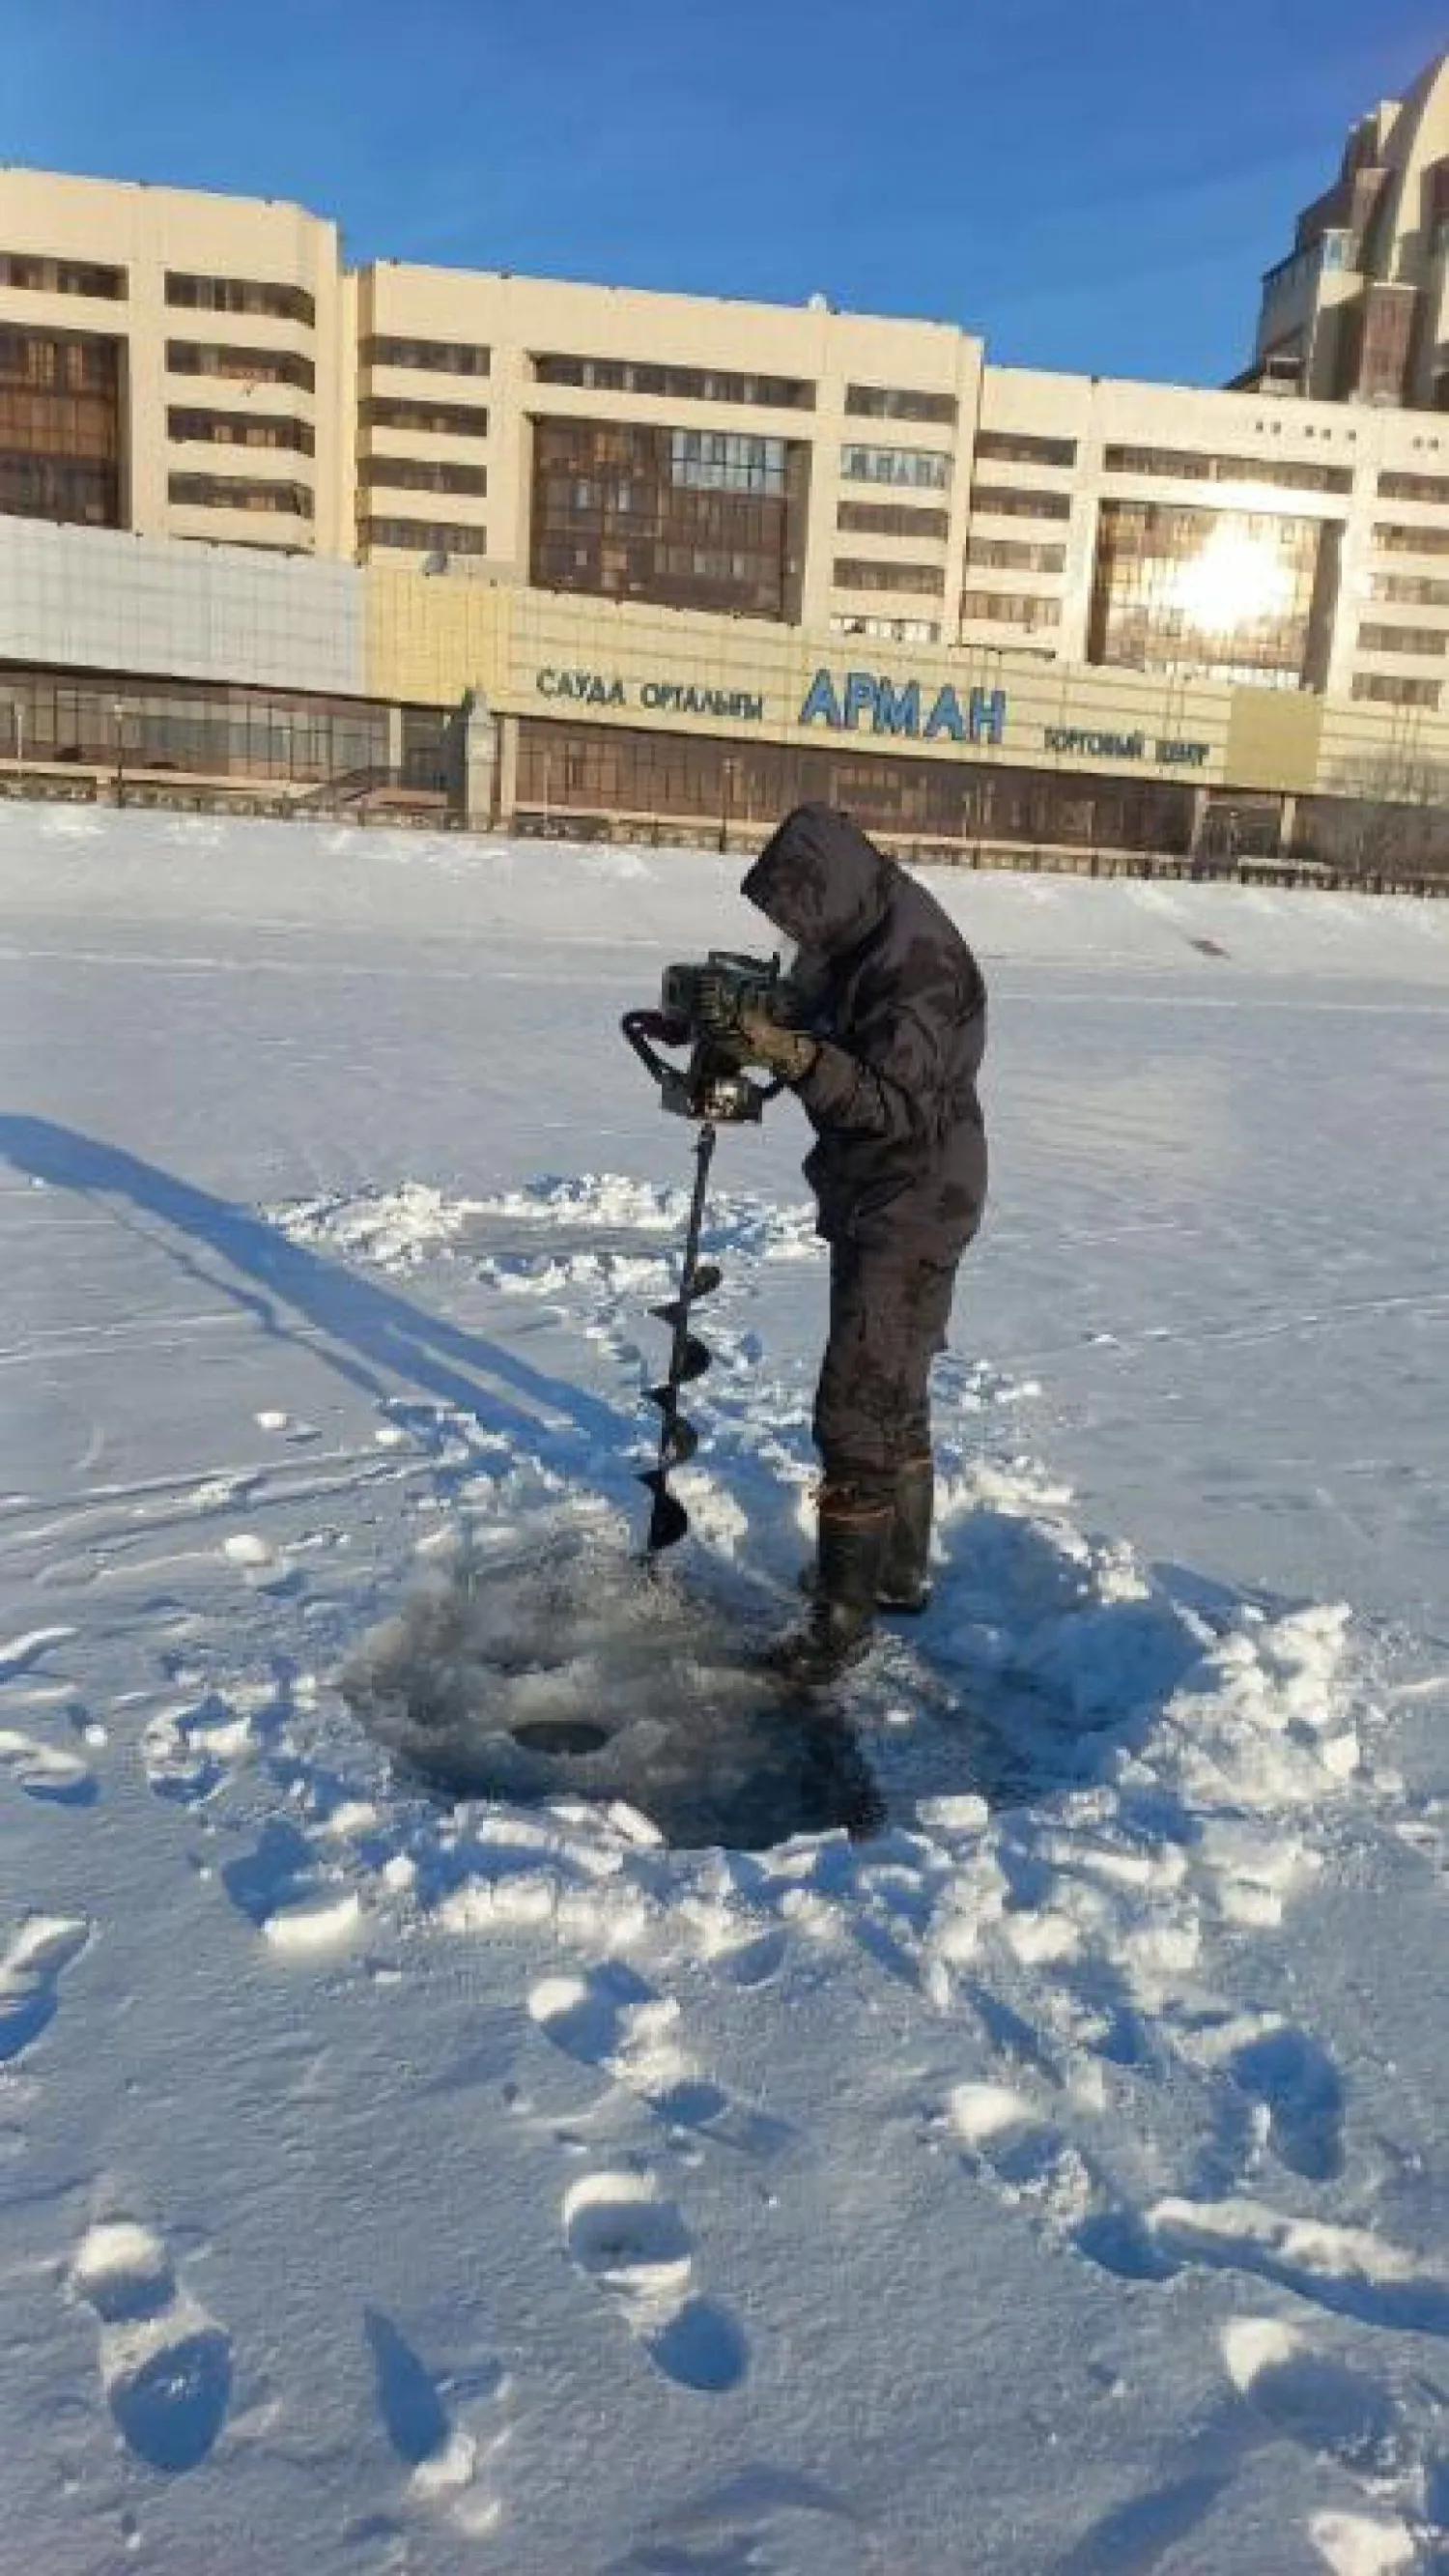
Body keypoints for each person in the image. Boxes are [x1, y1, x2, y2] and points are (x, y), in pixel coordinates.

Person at [698, 802, 988, 1685]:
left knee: (857, 1406)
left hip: (913, 1197)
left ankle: (841, 1624)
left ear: (833, 886)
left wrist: (788, 1054)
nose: (793, 936)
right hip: (885, 1193)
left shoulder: (917, 964)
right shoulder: (858, 925)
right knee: (892, 1389)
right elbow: (818, 1019)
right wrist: (746, 1034)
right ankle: (894, 1575)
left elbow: (893, 1106)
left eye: (796, 919)